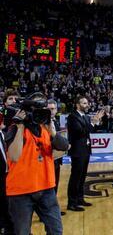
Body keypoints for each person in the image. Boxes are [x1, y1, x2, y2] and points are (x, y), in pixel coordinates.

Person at [6, 93, 65, 234]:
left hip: (46, 188)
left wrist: (52, 132)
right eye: (34, 110)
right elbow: (14, 156)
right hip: (20, 192)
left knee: (56, 230)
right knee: (22, 232)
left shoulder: (46, 128)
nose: (38, 113)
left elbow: (64, 147)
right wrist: (20, 127)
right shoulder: (15, 128)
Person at [67, 96, 104, 211]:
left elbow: (91, 130)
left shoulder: (86, 117)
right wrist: (93, 122)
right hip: (77, 151)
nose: (87, 105)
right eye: (84, 103)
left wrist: (97, 121)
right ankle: (71, 203)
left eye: (87, 103)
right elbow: (80, 132)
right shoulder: (72, 117)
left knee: (82, 177)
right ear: (77, 105)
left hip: (86, 150)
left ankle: (80, 198)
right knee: (75, 177)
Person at [47, 99, 66, 216]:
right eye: (49, 109)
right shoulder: (42, 123)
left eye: (53, 109)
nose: (51, 111)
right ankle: (49, 212)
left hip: (57, 159)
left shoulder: (56, 121)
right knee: (49, 188)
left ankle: (53, 210)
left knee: (55, 186)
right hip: (48, 159)